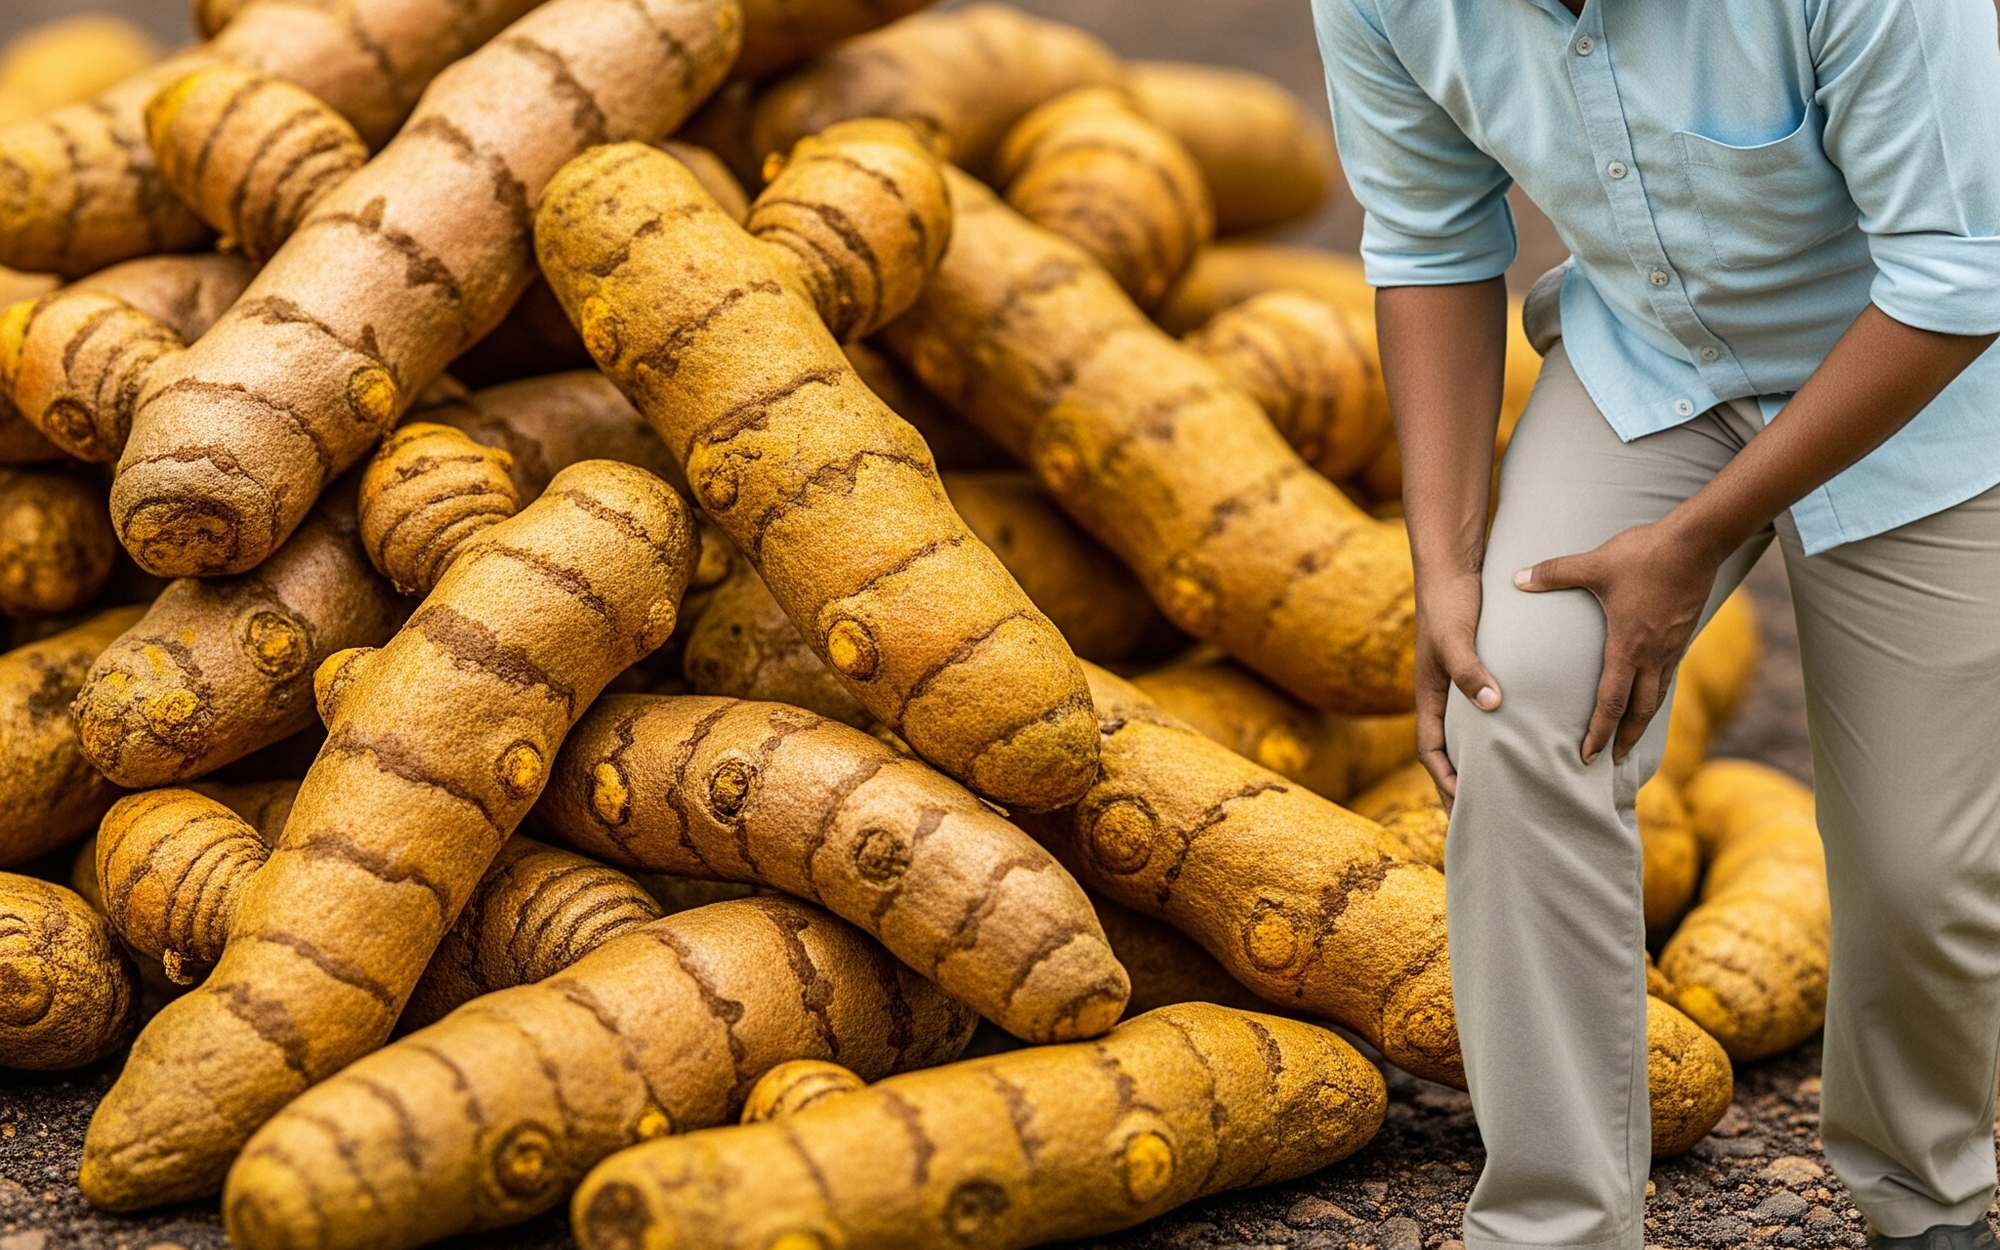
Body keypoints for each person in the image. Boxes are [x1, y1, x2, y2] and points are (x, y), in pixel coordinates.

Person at [1310, 1, 2000, 1248]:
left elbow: (1956, 277)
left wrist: (1685, 542)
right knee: (1513, 702)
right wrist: (1444, 564)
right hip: (1653, 366)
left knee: (1919, 868)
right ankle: (1555, 1228)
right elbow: (1427, 236)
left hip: (1923, 388)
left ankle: (1925, 1201)